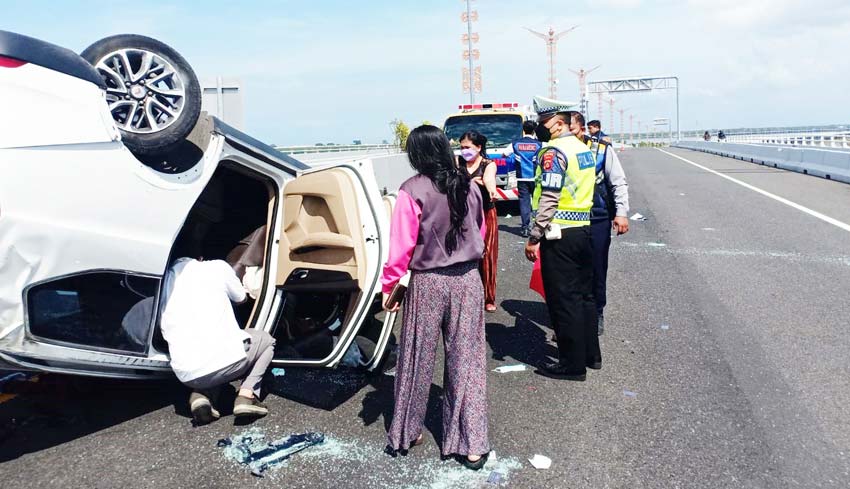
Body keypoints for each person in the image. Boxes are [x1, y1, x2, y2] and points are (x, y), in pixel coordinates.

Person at [381, 125, 490, 470]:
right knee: (467, 361)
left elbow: (401, 248)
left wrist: (390, 288)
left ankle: (407, 432)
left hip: (427, 282)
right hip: (467, 281)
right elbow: (481, 234)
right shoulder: (470, 186)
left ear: (417, 154)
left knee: (416, 359)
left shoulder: (411, 190)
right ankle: (472, 444)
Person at [525, 96, 600, 381]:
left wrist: (534, 235)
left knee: (563, 299)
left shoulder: (553, 152)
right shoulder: (582, 149)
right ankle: (592, 355)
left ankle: (571, 364)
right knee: (585, 296)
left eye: (544, 123)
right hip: (584, 229)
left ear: (558, 123)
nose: (541, 128)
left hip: (560, 235)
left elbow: (550, 196)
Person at [161, 257, 276, 424]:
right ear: (200, 257)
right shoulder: (216, 267)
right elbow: (241, 298)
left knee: (209, 355)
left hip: (186, 375)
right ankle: (246, 395)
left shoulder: (163, 283)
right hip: (227, 363)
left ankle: (201, 396)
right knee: (266, 341)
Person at [571, 112, 630, 336]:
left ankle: (596, 312)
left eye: (574, 130)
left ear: (583, 129)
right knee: (570, 272)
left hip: (597, 217)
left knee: (596, 267)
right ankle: (572, 317)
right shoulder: (556, 150)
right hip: (567, 221)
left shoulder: (601, 150)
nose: (570, 135)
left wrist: (621, 212)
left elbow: (618, 182)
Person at [460, 130, 499, 312]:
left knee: (487, 255)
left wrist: (491, 189)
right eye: (461, 147)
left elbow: (489, 180)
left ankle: (488, 297)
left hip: (484, 213)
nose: (464, 151)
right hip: (462, 214)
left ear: (479, 147)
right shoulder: (457, 163)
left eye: (467, 147)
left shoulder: (488, 164)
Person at [503, 120, 542, 237]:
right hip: (536, 178)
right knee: (538, 202)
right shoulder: (540, 144)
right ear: (534, 130)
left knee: (524, 203)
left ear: (523, 130)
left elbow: (504, 154)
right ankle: (539, 227)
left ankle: (525, 228)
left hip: (521, 178)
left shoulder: (515, 144)